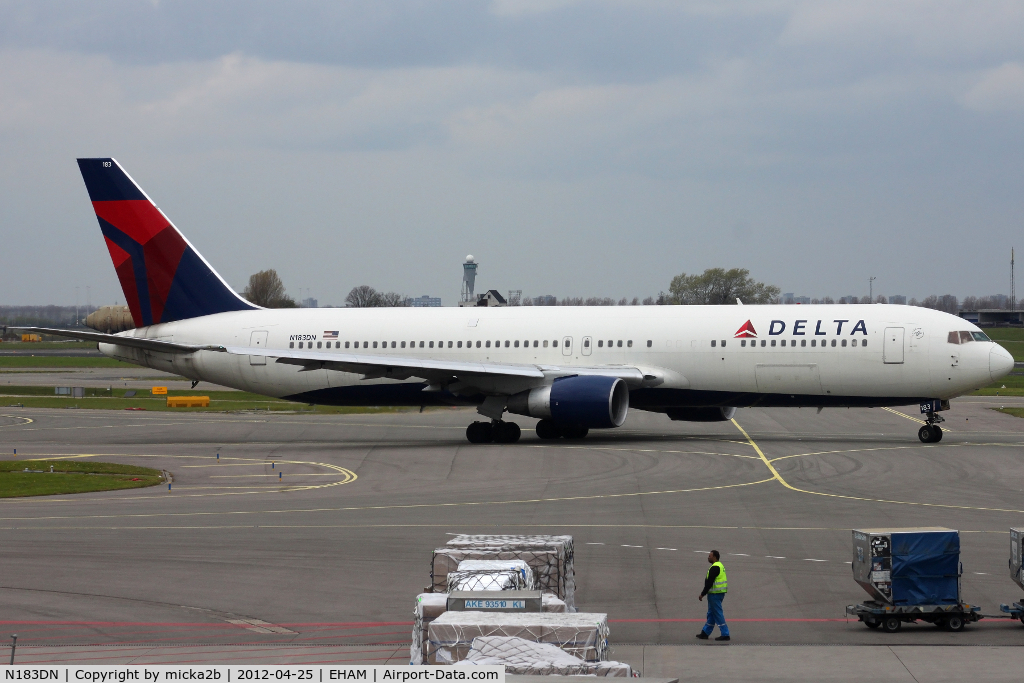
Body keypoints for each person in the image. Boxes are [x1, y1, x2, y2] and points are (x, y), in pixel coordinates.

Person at [696, 549, 730, 641]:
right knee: (711, 613)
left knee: (718, 613)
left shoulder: (715, 567)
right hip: (718, 593)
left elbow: (709, 582)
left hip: (715, 594)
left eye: (710, 556)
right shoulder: (720, 565)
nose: (708, 557)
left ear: (715, 557)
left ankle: (725, 633)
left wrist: (702, 594)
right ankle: (705, 632)